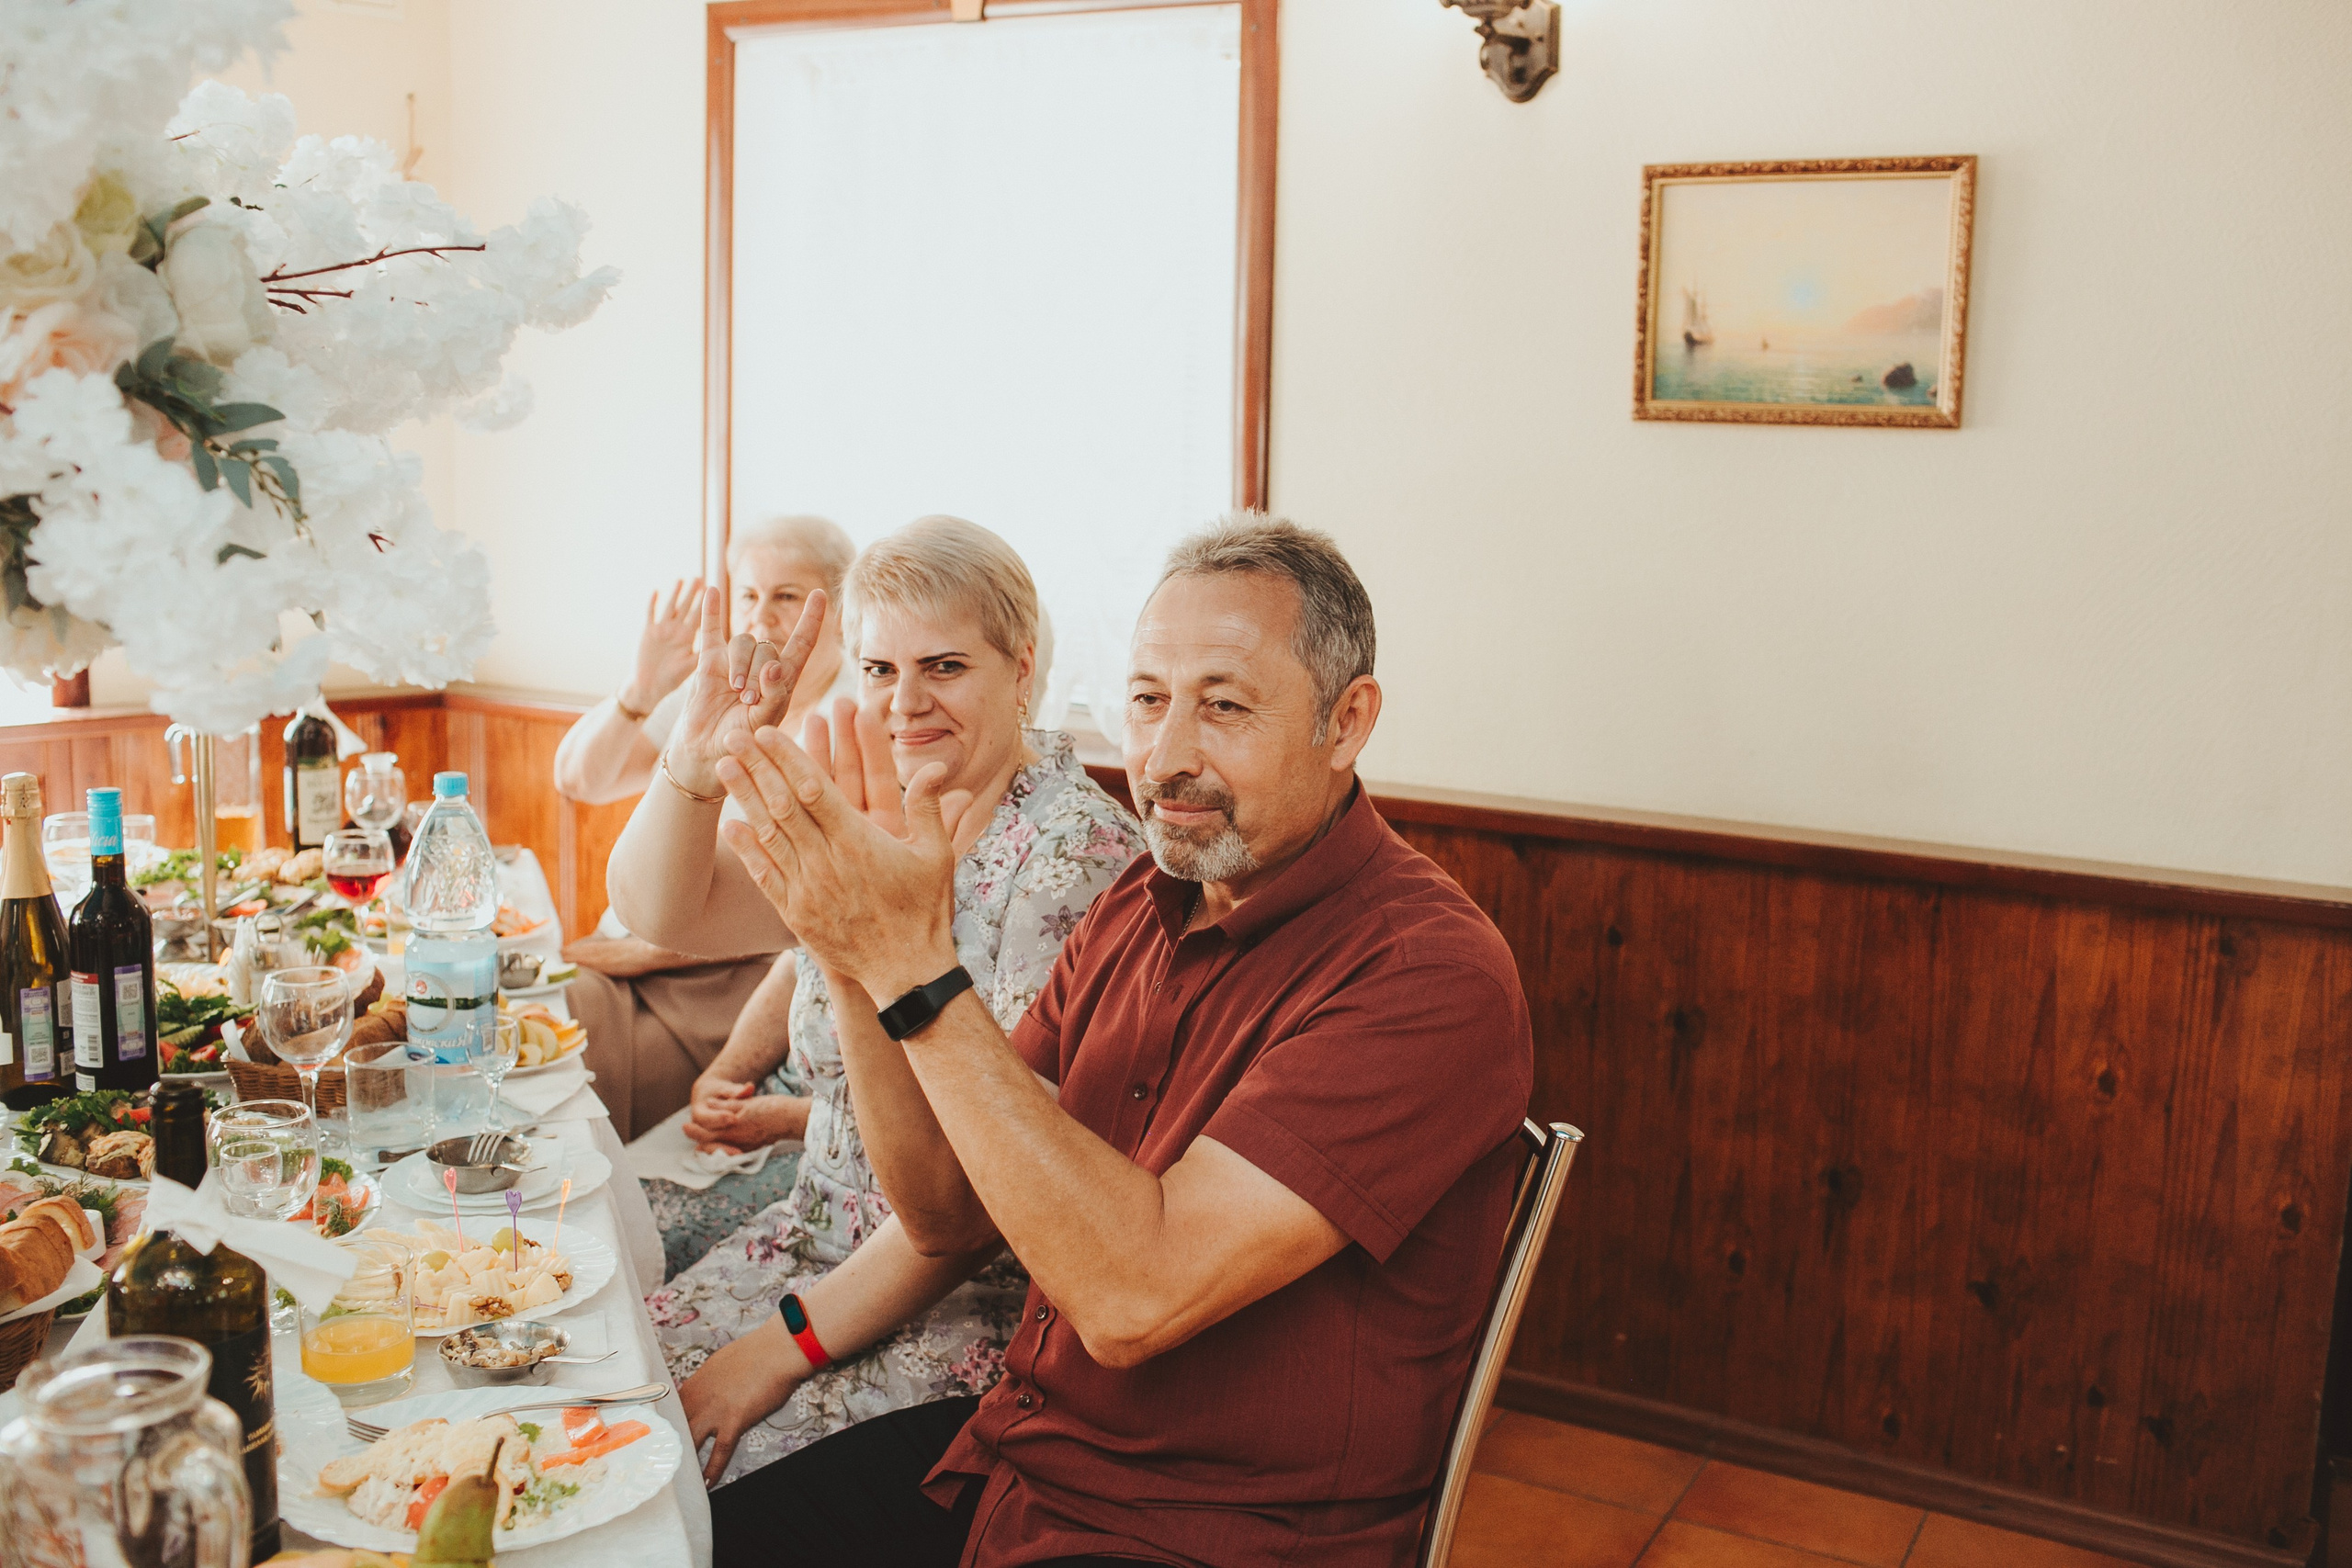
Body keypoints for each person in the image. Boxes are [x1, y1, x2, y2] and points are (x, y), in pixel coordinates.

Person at [678, 513, 1535, 1568]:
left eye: (1223, 706)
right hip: (1022, 1465)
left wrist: (910, 960)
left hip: (1204, 1534)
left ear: (1346, 720)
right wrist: (850, 956)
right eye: (1145, 701)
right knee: (676, 1540)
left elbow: (1134, 1297)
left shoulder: (1425, 973)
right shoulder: (1144, 899)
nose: (1165, 758)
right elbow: (947, 1213)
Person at [608, 515, 1146, 1485]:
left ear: (1021, 670)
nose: (904, 704)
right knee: (595, 1421)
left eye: (943, 668)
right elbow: (665, 909)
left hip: (957, 1309)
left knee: (681, 1487)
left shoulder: (1071, 860)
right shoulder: (867, 807)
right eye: (877, 670)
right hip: (810, 1246)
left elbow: (973, 1207)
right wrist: (691, 767)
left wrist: (776, 1350)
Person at [555, 513, 856, 1141]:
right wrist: (639, 690)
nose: (761, 617)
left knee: (558, 1049)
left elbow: (803, 900)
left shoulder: (847, 720)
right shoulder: (721, 687)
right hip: (639, 944)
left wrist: (636, 952)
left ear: (837, 608)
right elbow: (581, 778)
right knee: (526, 1017)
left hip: (728, 975)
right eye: (748, 594)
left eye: (787, 597)